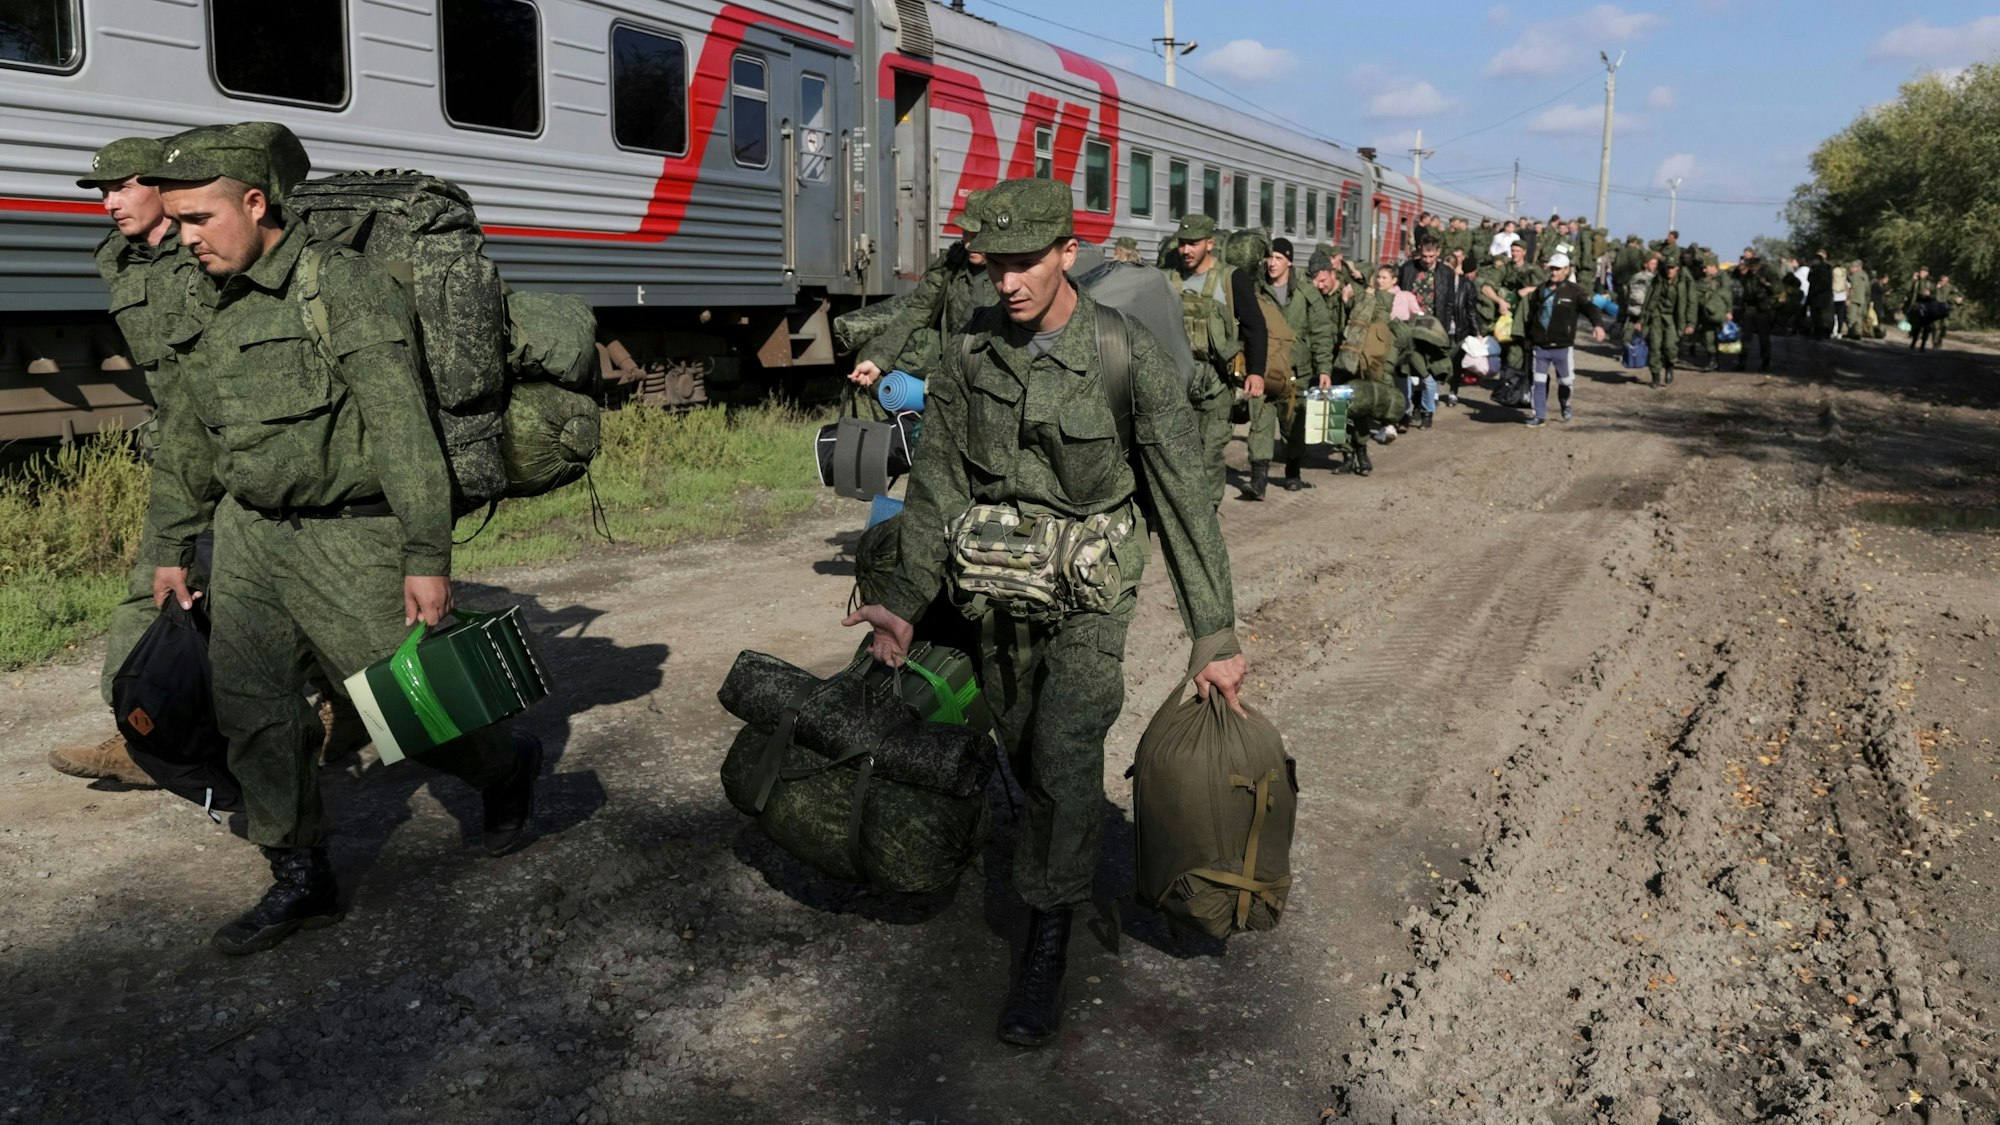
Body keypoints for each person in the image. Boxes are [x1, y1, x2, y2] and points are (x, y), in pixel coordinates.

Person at [841, 177, 1246, 1048]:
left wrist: (1213, 635)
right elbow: (938, 483)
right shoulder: (967, 356)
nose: (1010, 282)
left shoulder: (1126, 356)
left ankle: (1045, 943)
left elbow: (1182, 500)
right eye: (994, 266)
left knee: (1064, 745)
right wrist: (905, 604)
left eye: (1027, 262)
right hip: (995, 584)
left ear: (1069, 251)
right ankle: (1048, 843)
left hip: (1091, 593)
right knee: (1020, 741)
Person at [141, 124, 543, 956]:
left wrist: (427, 555)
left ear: (255, 204)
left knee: (416, 708)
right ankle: (300, 877)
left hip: (350, 537)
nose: (185, 238)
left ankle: (505, 765)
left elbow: (402, 430)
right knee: (255, 714)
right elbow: (185, 432)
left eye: (199, 218)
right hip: (247, 538)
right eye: (175, 221)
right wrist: (172, 542)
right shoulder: (200, 297)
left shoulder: (342, 285)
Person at [45, 135, 202, 787]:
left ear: (164, 186)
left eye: (121, 186)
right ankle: (136, 733)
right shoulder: (120, 256)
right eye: (101, 190)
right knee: (154, 584)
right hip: (183, 446)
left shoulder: (208, 250)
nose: (109, 202)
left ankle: (348, 704)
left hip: (242, 444)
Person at [838, 194, 994, 386]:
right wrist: (878, 361)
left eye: (976, 237)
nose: (969, 245)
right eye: (966, 235)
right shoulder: (953, 261)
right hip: (954, 359)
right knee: (877, 355)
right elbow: (918, 310)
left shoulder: (1017, 274)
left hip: (993, 371)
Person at [1167, 213, 1265, 508]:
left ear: (1209, 243)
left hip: (1217, 382)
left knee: (1210, 453)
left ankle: (1207, 515)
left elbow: (1255, 327)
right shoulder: (1168, 277)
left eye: (1193, 244)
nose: (1186, 250)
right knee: (1178, 455)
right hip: (1176, 381)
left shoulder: (1231, 278)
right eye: (1182, 243)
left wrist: (1256, 372)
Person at [1247, 236, 1333, 495]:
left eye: (1278, 258)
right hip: (1264, 367)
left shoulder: (1306, 292)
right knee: (1260, 420)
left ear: (1289, 262)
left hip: (1297, 370)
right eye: (1269, 257)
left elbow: (1321, 331)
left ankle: (1293, 471)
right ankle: (1258, 478)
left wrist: (1325, 368)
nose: (1272, 263)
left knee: (1292, 423)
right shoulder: (1257, 289)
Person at [1519, 253, 1609, 427]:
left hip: (1562, 346)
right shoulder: (1541, 290)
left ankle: (1565, 404)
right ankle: (1539, 415)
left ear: (1566, 270)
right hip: (1541, 346)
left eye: (1558, 269)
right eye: (1552, 268)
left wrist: (1597, 325)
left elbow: (1590, 308)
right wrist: (1529, 338)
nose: (1554, 272)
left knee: (1566, 382)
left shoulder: (1575, 291)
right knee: (1538, 381)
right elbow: (1532, 315)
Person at [1396, 235, 1458, 429]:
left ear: (1438, 253)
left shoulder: (1446, 273)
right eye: (1424, 255)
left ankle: (1426, 411)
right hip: (1410, 326)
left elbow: (1449, 303)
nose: (1427, 260)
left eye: (1431, 256)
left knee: (1428, 369)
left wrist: (1444, 328)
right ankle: (1410, 408)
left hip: (1433, 328)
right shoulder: (1407, 269)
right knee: (1408, 367)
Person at [1636, 254, 1694, 388]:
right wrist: (1641, 320)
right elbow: (1648, 300)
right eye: (1668, 267)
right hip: (1657, 316)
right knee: (1655, 346)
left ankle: (1669, 365)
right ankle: (1655, 375)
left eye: (1672, 268)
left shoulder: (1684, 282)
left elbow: (1692, 303)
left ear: (1677, 268)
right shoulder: (1658, 279)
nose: (1669, 271)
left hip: (1673, 318)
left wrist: (1690, 323)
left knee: (1670, 346)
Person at [1734, 249, 1780, 371]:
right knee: (1746, 337)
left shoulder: (1766, 274)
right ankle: (1742, 361)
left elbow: (1776, 289)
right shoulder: (1747, 276)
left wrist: (1766, 284)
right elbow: (1735, 275)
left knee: (1763, 337)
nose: (1753, 269)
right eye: (1751, 266)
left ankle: (1766, 361)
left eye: (1755, 267)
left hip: (1762, 308)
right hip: (1749, 308)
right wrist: (1741, 266)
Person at [1931, 275, 1962, 348]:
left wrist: (1958, 300)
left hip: (1946, 309)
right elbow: (1930, 295)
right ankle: (1935, 342)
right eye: (1942, 280)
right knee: (1935, 326)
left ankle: (1940, 339)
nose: (1944, 282)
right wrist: (1936, 289)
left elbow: (1958, 295)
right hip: (1936, 309)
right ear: (1940, 280)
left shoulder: (1951, 287)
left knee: (1945, 325)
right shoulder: (1935, 287)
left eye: (1946, 280)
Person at [1844, 262, 1872, 342]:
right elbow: (1867, 289)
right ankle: (1858, 333)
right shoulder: (1865, 275)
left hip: (1854, 299)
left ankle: (1851, 333)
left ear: (1855, 267)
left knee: (1851, 316)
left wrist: (1848, 298)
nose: (1850, 270)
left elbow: (1852, 288)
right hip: (1862, 299)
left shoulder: (1855, 276)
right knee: (1859, 317)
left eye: (1851, 268)